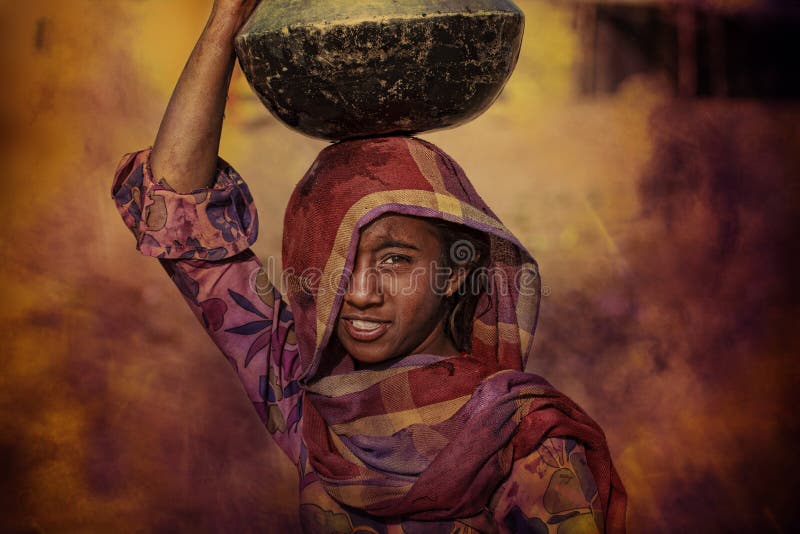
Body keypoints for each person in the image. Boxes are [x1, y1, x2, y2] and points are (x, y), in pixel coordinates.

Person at [111, 1, 627, 532]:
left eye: (396, 260)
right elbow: (177, 213)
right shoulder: (315, 405)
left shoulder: (531, 449)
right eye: (336, 260)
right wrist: (226, 21)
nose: (359, 293)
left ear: (455, 270)